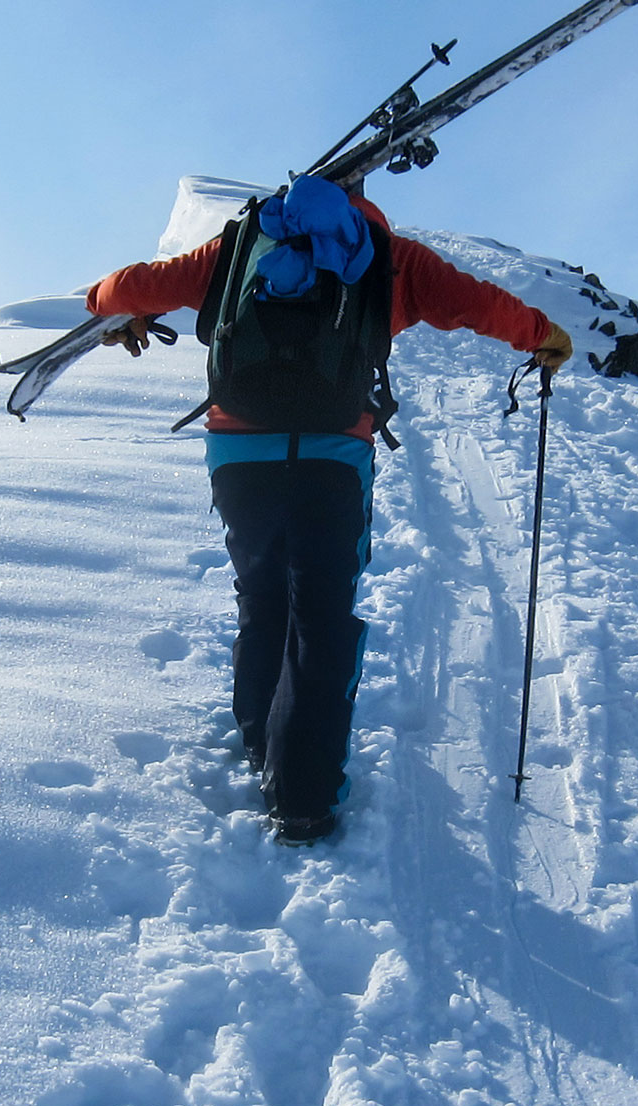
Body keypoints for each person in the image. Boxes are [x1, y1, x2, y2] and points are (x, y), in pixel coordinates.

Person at [87, 181, 574, 846]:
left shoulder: (241, 245)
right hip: (332, 455)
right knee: (319, 609)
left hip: (239, 451)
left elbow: (129, 288)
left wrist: (108, 307)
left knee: (261, 594)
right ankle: (304, 799)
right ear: (363, 199)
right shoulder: (388, 253)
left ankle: (262, 746)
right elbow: (475, 304)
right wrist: (542, 334)